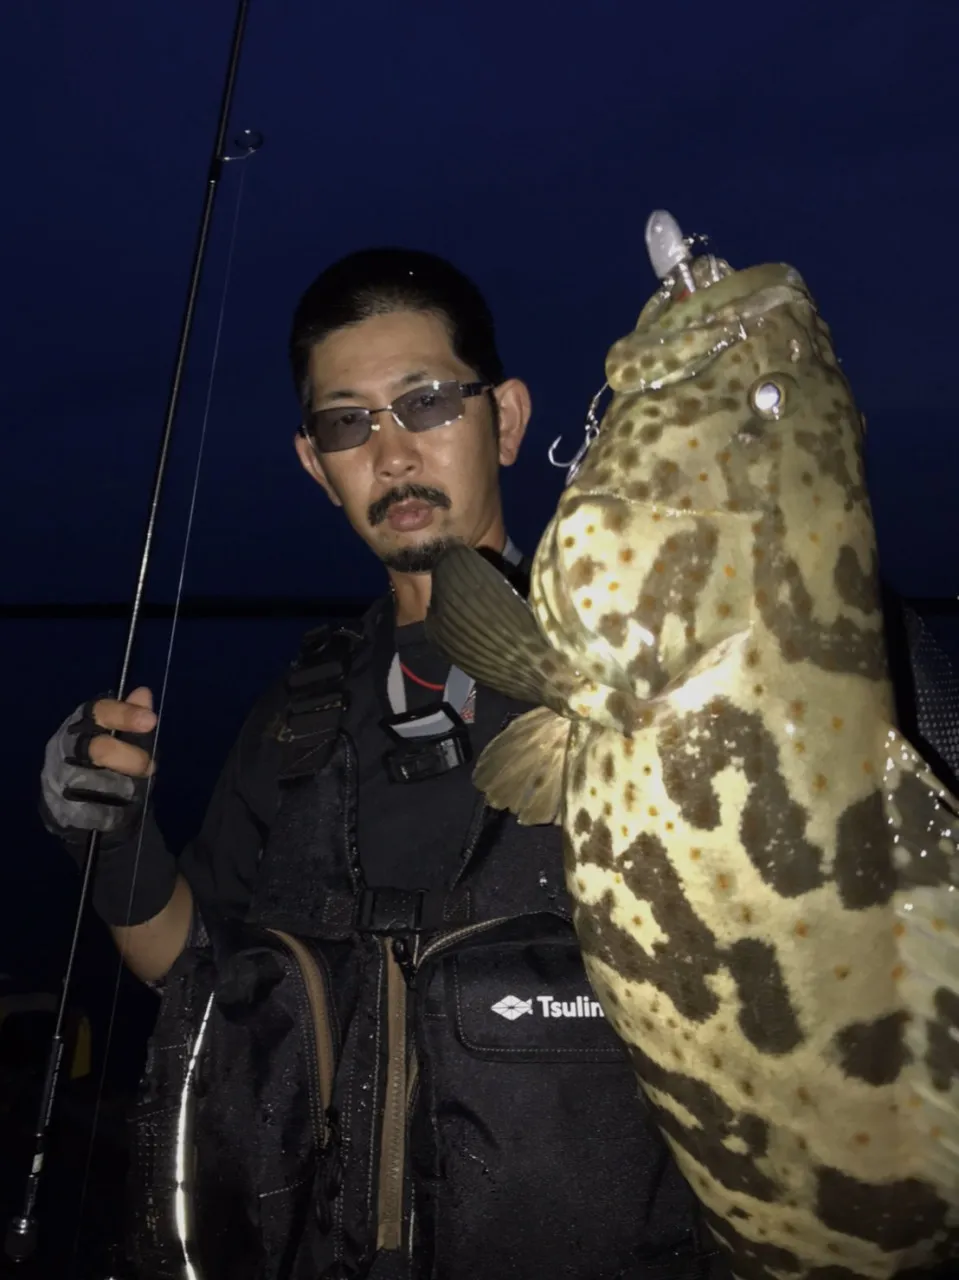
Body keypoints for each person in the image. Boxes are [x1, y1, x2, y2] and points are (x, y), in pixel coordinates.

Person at [40, 248, 725, 1279]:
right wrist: (111, 838)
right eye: (346, 422)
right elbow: (195, 972)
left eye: (426, 402)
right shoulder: (301, 711)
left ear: (503, 418)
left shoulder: (654, 674)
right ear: (316, 465)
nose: (391, 451)